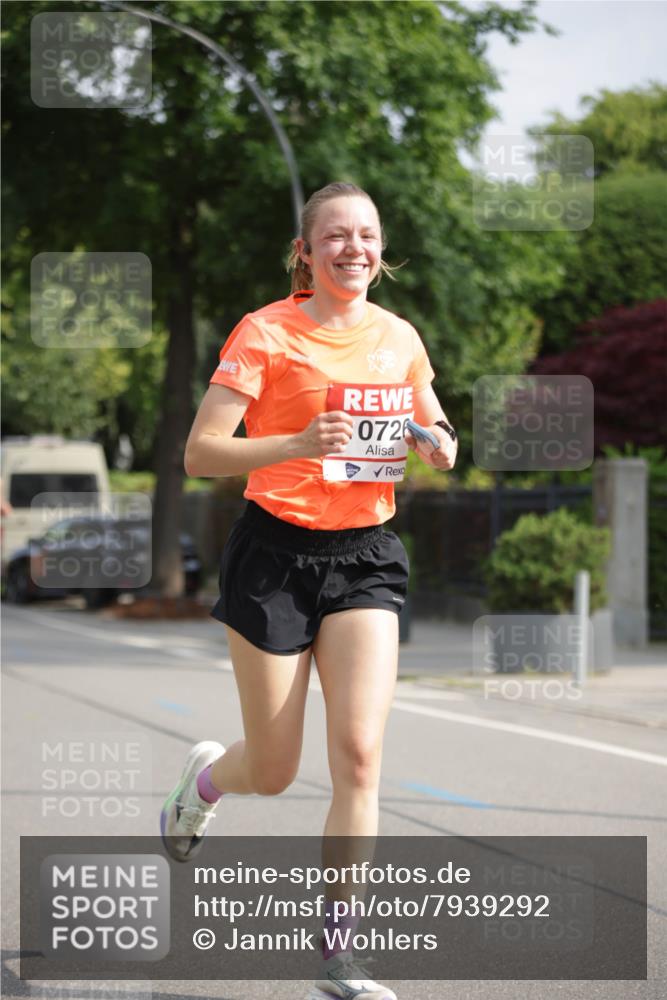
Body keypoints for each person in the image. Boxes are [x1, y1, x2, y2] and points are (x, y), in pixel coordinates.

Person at [161, 181, 457, 1000]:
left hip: (364, 552)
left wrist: (436, 444)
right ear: (306, 251)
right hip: (274, 554)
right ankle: (206, 783)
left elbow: (438, 427)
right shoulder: (265, 332)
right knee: (278, 767)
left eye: (365, 234)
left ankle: (337, 953)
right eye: (334, 235)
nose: (352, 247)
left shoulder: (399, 337)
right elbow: (200, 453)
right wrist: (295, 439)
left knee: (360, 756)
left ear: (380, 249)